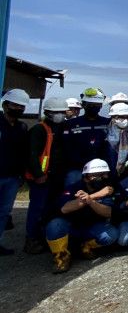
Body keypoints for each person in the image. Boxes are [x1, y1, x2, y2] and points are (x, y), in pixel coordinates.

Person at [45, 159, 119, 273]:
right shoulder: (74, 187)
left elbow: (108, 212)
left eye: (105, 174)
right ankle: (61, 257)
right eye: (97, 175)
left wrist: (90, 200)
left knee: (112, 234)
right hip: (70, 227)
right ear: (86, 177)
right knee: (55, 225)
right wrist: (93, 196)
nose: (103, 177)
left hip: (91, 227)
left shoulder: (106, 190)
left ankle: (85, 247)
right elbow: (65, 208)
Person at [25, 97, 69, 254]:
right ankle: (32, 239)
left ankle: (46, 237)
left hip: (56, 177)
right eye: (57, 112)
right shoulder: (39, 130)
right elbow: (32, 155)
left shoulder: (61, 128)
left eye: (63, 112)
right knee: (37, 208)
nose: (61, 115)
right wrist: (38, 174)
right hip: (41, 178)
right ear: (48, 113)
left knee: (51, 208)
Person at [0, 89, 30, 255]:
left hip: (12, 177)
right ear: (5, 105)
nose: (18, 109)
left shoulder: (22, 127)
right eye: (14, 105)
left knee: (4, 212)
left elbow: (22, 153)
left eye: (21, 106)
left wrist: (21, 175)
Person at [63, 88, 110, 187]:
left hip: (101, 169)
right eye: (90, 104)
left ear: (101, 105)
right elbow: (65, 148)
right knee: (73, 197)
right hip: (76, 169)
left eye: (96, 105)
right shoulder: (70, 124)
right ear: (83, 104)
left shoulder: (107, 123)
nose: (93, 107)